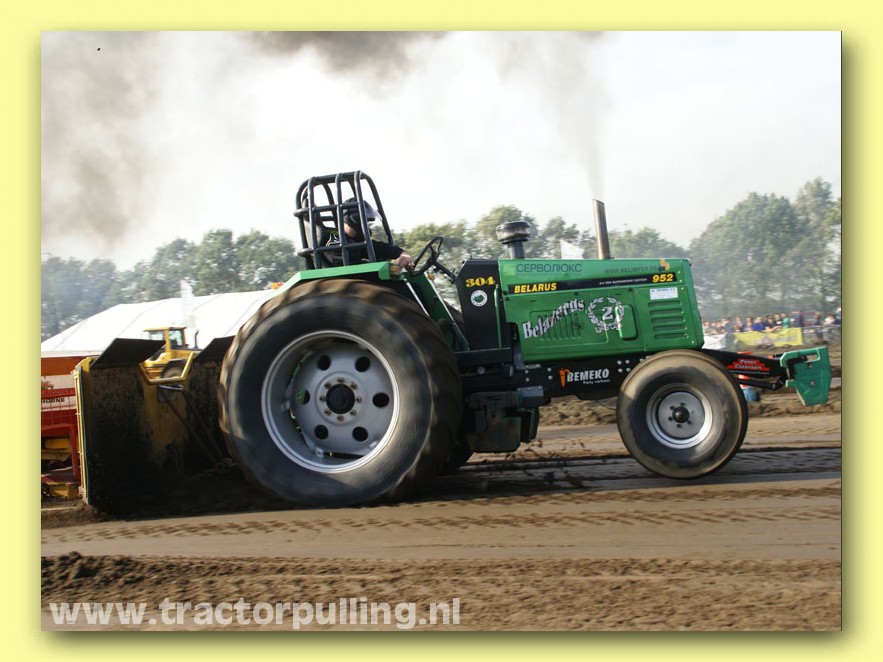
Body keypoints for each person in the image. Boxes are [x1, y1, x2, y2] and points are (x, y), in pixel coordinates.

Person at [326, 198, 415, 270]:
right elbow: (355, 268)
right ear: (355, 220)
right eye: (365, 222)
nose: (367, 227)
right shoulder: (335, 242)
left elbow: (379, 248)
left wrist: (402, 254)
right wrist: (390, 264)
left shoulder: (355, 241)